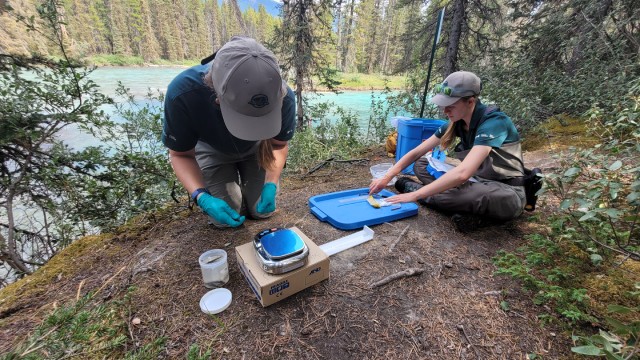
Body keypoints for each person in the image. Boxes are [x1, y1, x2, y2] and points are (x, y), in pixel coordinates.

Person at [162, 36, 296, 228]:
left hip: (258, 148)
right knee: (225, 219)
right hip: (212, 148)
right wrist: (201, 197)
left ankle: (251, 194)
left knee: (261, 212)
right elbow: (180, 155)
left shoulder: (283, 97)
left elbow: (278, 144)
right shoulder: (184, 93)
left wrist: (271, 183)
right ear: (215, 93)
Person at [369, 71, 526, 232]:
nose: (445, 111)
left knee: (461, 195)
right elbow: (417, 152)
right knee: (422, 164)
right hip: (476, 181)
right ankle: (443, 197)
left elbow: (462, 174)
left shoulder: (494, 122)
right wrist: (388, 176)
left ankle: (419, 191)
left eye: (450, 106)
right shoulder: (457, 121)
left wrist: (415, 196)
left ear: (470, 101)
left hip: (506, 192)